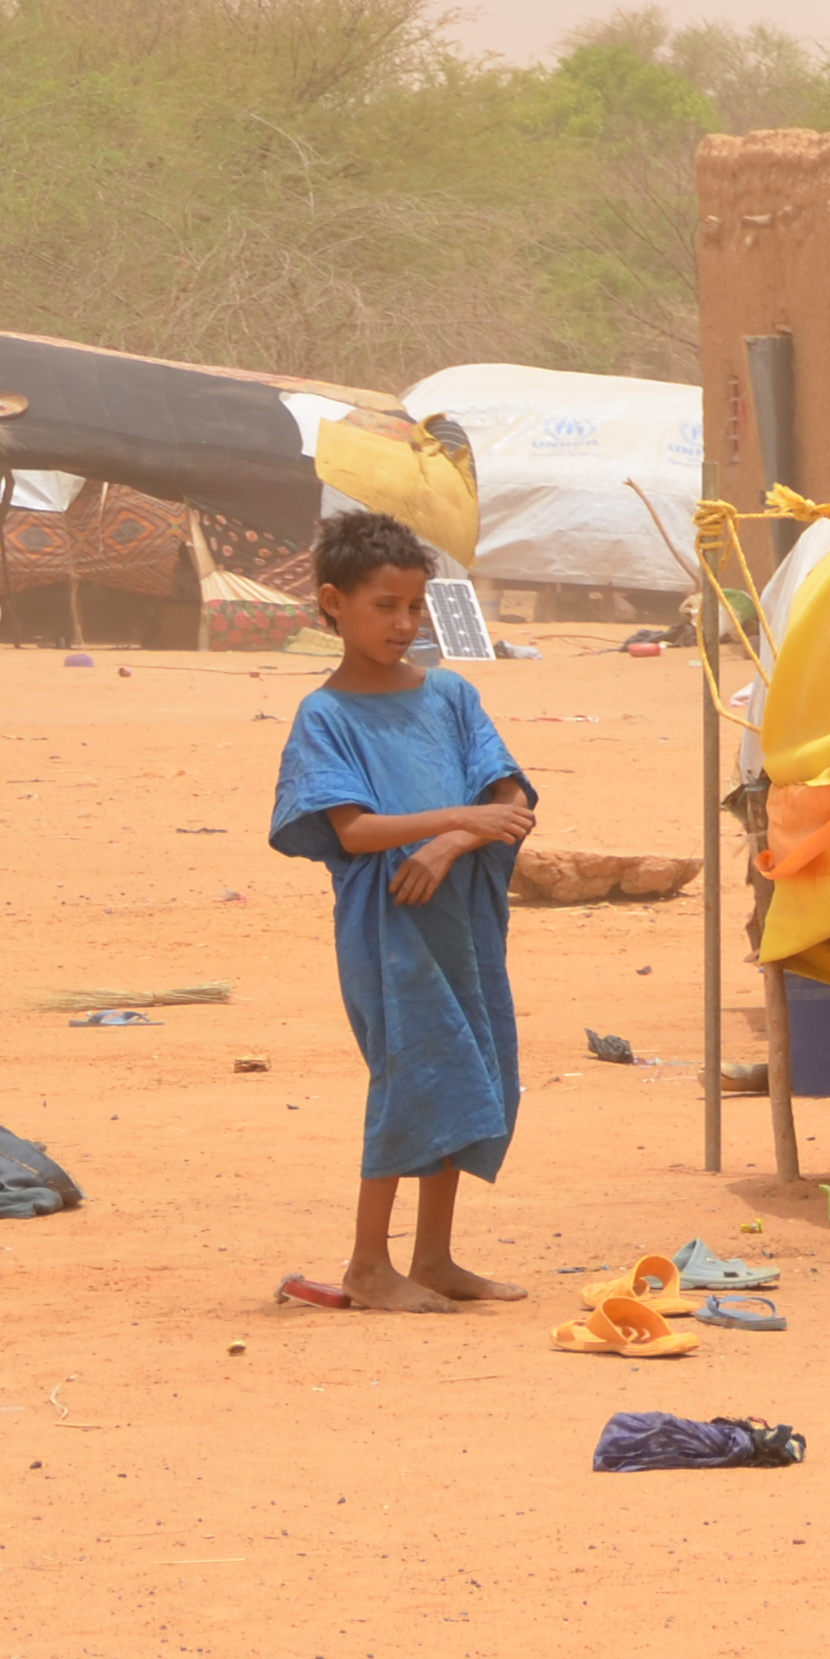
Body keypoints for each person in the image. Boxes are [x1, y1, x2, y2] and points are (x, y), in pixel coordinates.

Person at [271, 507, 538, 1312]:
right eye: (385, 605)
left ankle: (435, 1257)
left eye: (415, 605)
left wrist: (453, 844)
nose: (404, 622)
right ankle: (365, 1263)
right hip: (388, 930)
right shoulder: (326, 716)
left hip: (462, 918)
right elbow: (351, 831)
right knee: (409, 1077)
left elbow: (512, 798)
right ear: (332, 603)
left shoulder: (452, 695)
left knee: (470, 1070)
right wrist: (458, 820)